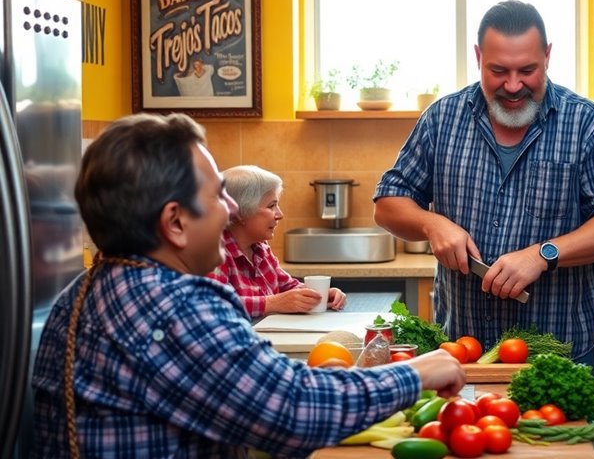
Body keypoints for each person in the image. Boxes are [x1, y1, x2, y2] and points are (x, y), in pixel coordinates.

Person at [31, 113, 465, 458]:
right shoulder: (176, 308)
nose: (231, 209)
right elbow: (295, 410)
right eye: (219, 195)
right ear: (175, 222)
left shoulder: (85, 290)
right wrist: (415, 372)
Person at [374, 0, 594, 371]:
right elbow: (388, 202)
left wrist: (542, 255)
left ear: (547, 56)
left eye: (527, 70)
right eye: (498, 70)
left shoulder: (587, 123)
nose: (514, 85)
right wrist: (431, 223)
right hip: (460, 355)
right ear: (478, 57)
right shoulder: (442, 119)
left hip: (557, 362)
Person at [208, 165, 347, 317]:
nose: (279, 214)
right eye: (271, 206)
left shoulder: (260, 248)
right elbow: (213, 305)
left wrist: (320, 296)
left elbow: (287, 287)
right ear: (239, 212)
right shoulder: (211, 253)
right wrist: (272, 303)